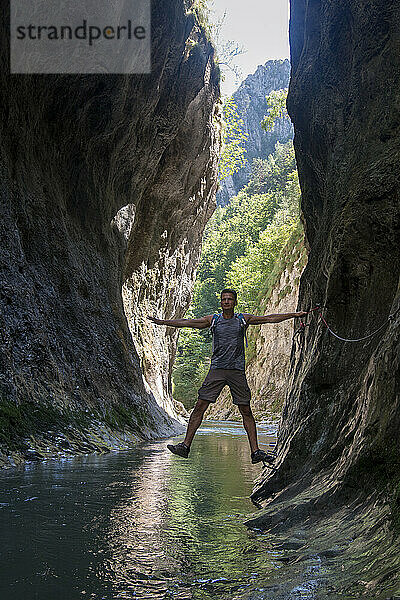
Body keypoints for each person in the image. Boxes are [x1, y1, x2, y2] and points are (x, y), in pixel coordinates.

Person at [148, 289, 307, 464]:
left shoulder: (242, 320)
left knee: (245, 410)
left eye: (229, 299)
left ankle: (255, 452)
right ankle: (185, 446)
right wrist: (163, 322)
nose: (226, 302)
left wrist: (295, 314)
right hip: (217, 370)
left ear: (235, 302)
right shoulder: (213, 320)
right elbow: (188, 322)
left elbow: (269, 318)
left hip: (237, 371)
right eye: (223, 299)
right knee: (200, 405)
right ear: (221, 302)